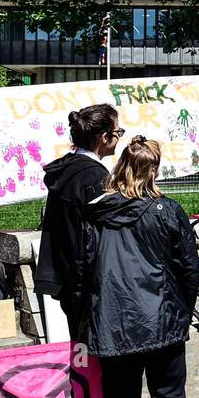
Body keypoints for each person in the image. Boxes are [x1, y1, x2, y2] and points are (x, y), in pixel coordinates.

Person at [79, 136, 199, 398]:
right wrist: (183, 309)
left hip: (116, 324)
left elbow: (83, 272)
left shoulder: (97, 216)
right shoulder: (165, 210)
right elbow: (189, 268)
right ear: (154, 169)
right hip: (159, 319)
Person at [35, 104, 121, 325]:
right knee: (95, 354)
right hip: (90, 284)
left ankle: (81, 362)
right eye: (117, 132)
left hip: (68, 279)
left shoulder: (67, 170)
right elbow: (101, 238)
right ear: (104, 137)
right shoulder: (94, 178)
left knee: (81, 349)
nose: (119, 137)